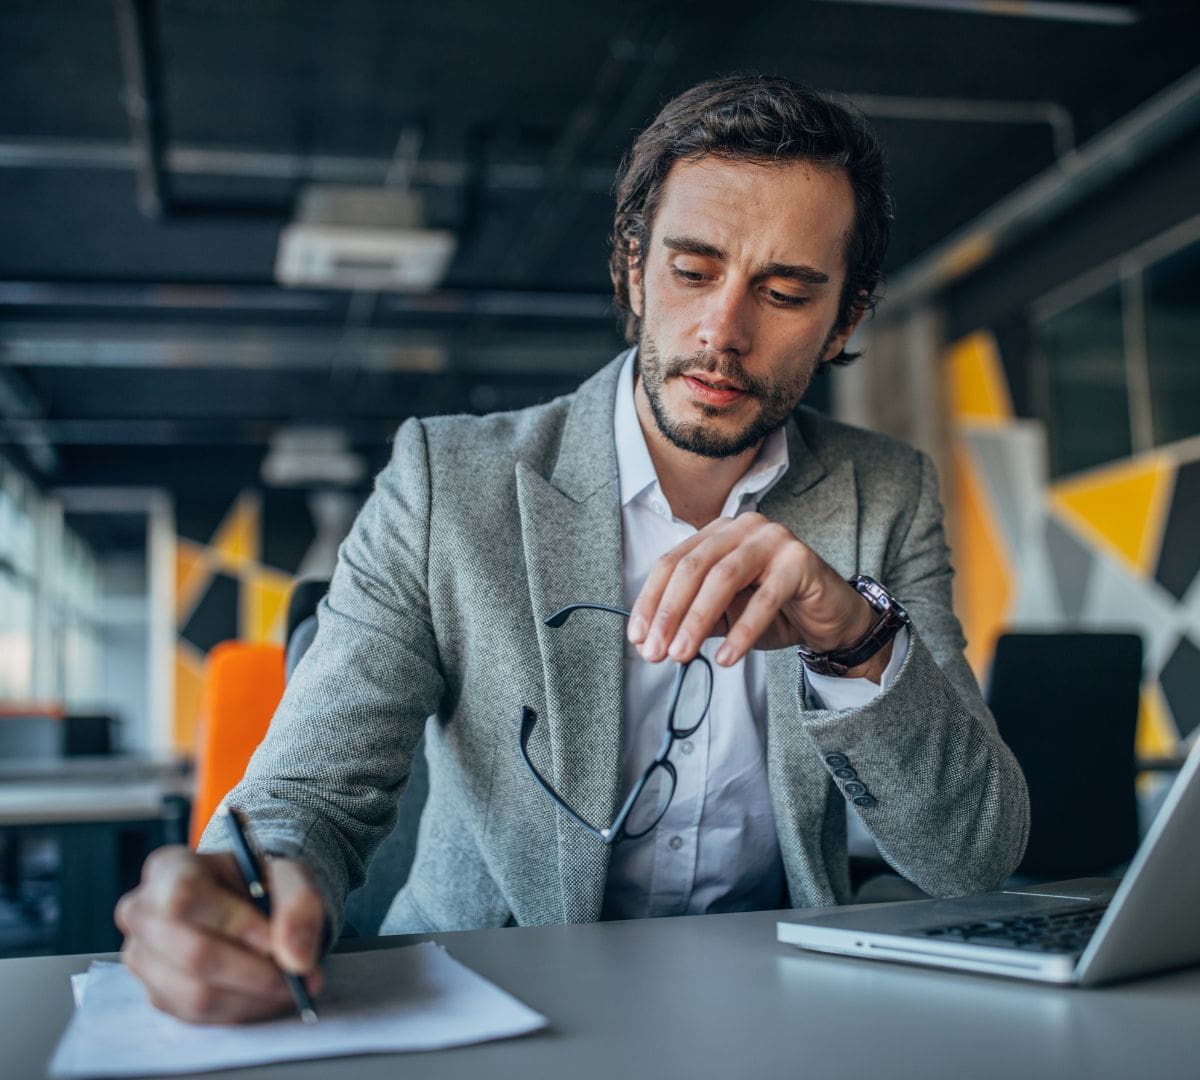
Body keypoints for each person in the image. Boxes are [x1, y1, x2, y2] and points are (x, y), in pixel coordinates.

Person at [116, 74, 1029, 1023]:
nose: (724, 330)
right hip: (497, 997)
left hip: (778, 1010)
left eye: (787, 292)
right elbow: (310, 792)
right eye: (691, 270)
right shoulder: (445, 480)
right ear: (634, 271)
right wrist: (243, 889)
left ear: (845, 319)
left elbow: (973, 856)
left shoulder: (887, 491)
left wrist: (854, 637)